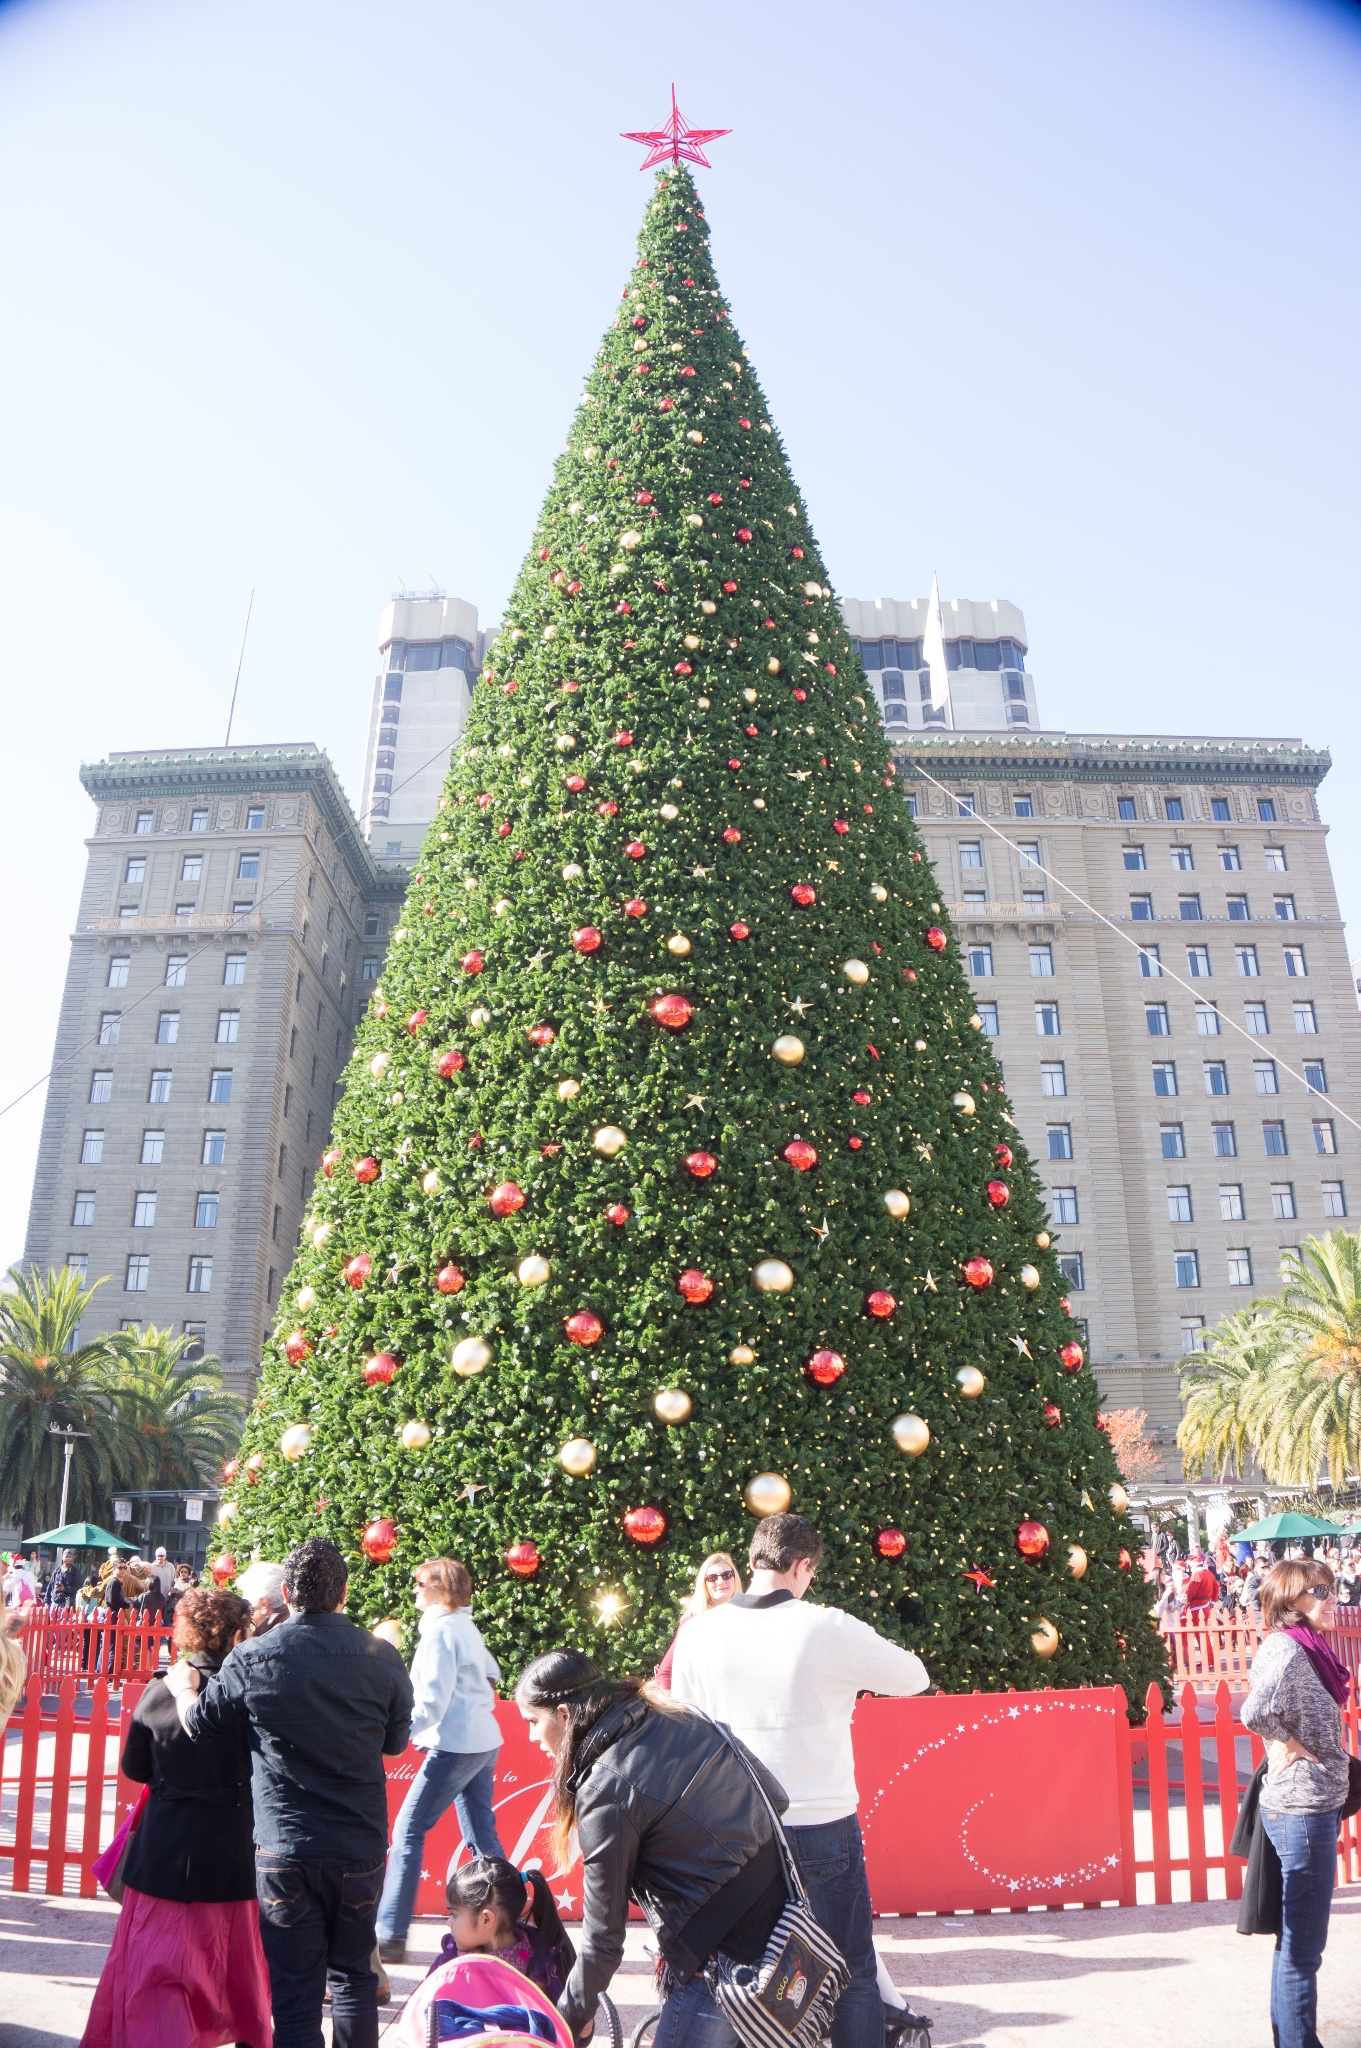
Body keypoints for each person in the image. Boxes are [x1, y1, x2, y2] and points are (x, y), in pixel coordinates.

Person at [672, 1512, 931, 2048]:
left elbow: (688, 1727)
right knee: (851, 1966)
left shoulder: (698, 1634)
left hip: (735, 1828)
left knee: (740, 1969)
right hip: (820, 1822)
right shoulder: (825, 1626)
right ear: (803, 1566)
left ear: (751, 1561)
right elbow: (914, 1676)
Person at [163, 1536, 413, 2048]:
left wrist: (183, 1687)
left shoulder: (254, 1655)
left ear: (286, 1592)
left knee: (296, 1991)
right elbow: (394, 1744)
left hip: (286, 1846)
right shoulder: (383, 1658)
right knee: (354, 1978)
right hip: (356, 1845)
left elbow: (201, 1724)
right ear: (342, 1593)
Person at [516, 1648, 791, 2048]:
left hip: (719, 1960)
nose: (530, 1736)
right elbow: (776, 1797)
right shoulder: (678, 1713)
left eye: (532, 1722)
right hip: (783, 1920)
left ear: (563, 1715)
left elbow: (602, 1941)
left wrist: (567, 2020)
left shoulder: (604, 1789)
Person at [80, 1588, 272, 2048]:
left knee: (155, 1967)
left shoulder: (158, 1690)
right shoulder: (251, 1694)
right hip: (230, 1847)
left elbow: (134, 1768)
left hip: (164, 1848)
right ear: (237, 1634)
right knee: (234, 1965)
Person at [1240, 1559, 1352, 2048]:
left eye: (1333, 1587)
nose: (1333, 1597)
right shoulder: (1287, 1650)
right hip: (1302, 1813)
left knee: (1296, 1945)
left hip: (1311, 1806)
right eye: (1321, 1589)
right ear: (1291, 1601)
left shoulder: (1308, 1648)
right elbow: (1255, 1711)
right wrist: (1286, 1741)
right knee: (1303, 1949)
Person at [376, 1556, 506, 1962]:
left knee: (408, 1830)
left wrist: (395, 1737)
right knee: (483, 1841)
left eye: (420, 1583)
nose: (414, 1589)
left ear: (439, 1590)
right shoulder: (462, 1626)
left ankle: (390, 1933)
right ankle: (510, 1923)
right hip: (481, 1742)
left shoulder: (440, 1633)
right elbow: (492, 1673)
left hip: (457, 1745)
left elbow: (430, 1702)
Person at [437, 1856, 575, 2005]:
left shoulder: (541, 1967)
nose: (448, 1923)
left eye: (454, 1914)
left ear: (487, 1919)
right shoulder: (449, 1962)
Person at [654, 1551, 742, 1689]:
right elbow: (664, 1674)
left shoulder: (748, 1616)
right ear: (704, 1584)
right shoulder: (692, 1622)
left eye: (726, 1575)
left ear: (734, 1578)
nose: (720, 1582)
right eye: (712, 1578)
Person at [236, 1559, 289, 1637]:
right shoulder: (307, 1622)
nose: (248, 1616)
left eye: (249, 1609)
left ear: (264, 1604)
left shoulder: (265, 1643)